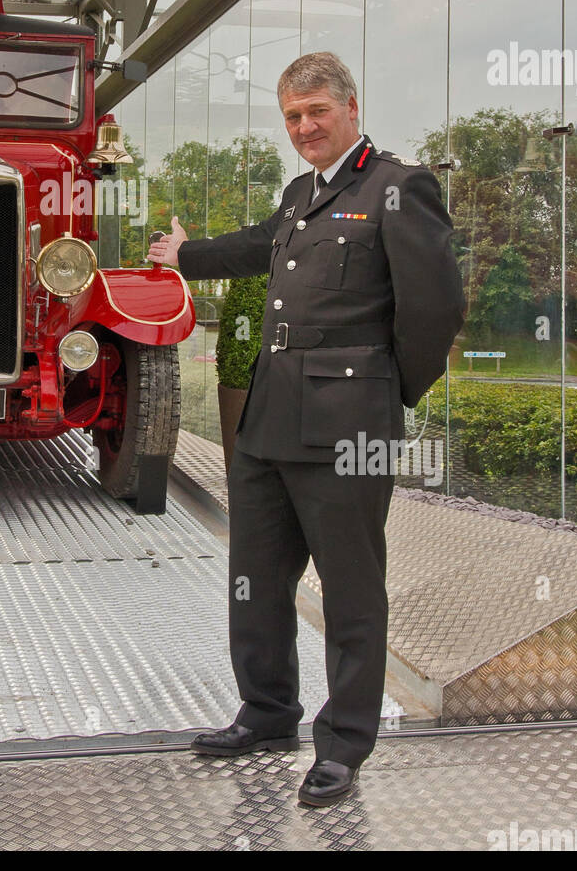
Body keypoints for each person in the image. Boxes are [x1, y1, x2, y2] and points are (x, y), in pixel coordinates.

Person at [149, 52, 465, 805]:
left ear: (350, 107)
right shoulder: (302, 192)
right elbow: (260, 244)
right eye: (292, 115)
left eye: (316, 111)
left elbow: (435, 307)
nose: (304, 127)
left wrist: (388, 394)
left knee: (350, 590)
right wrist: (185, 256)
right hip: (267, 422)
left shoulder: (397, 187)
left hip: (347, 427)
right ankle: (265, 714)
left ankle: (343, 746)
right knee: (254, 580)